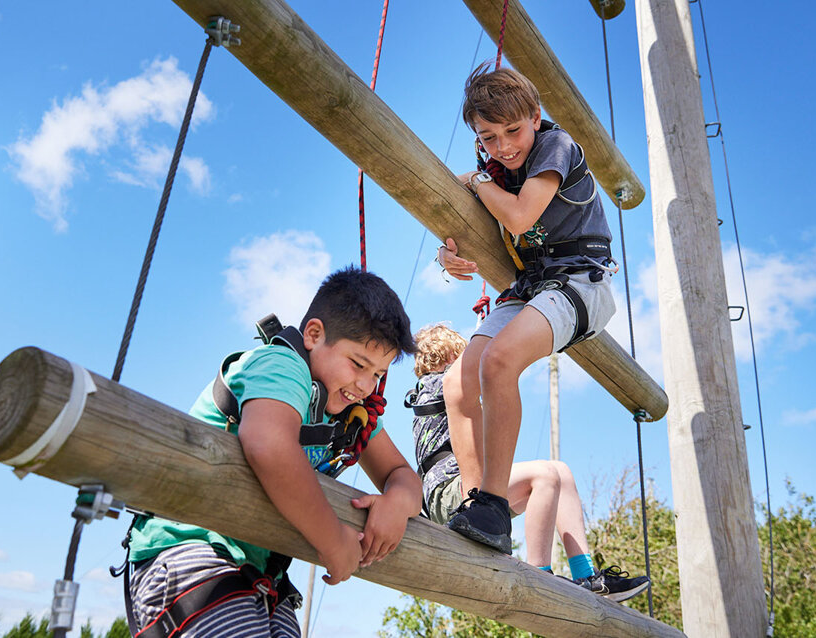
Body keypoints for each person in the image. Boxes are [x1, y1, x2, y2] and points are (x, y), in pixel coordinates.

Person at [124, 266, 422, 637]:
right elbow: (269, 446)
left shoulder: (352, 415)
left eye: (377, 374)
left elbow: (404, 476)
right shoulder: (280, 366)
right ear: (314, 335)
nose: (365, 385)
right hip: (189, 549)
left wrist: (397, 503)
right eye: (357, 364)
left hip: (262, 576)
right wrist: (332, 540)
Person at [436, 63, 620, 556]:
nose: (503, 146)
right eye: (488, 137)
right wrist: (445, 251)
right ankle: (478, 504)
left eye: (513, 131)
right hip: (532, 285)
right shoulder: (491, 169)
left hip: (582, 280)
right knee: (457, 382)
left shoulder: (556, 147)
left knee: (499, 363)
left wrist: (477, 181)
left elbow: (519, 216)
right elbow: (448, 196)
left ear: (536, 117)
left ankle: (494, 504)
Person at [407, 323, 649, 601]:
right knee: (543, 476)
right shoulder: (439, 383)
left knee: (561, 472)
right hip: (449, 493)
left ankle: (587, 574)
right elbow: (489, 365)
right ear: (450, 357)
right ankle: (539, 572)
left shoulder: (452, 385)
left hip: (470, 487)